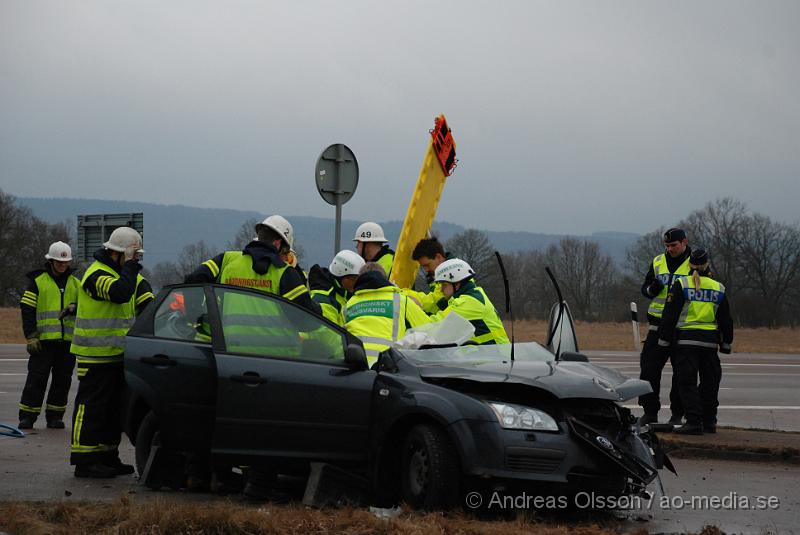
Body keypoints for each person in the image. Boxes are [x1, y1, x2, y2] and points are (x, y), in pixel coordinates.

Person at [70, 227, 154, 478]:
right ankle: (84, 460)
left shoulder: (131, 277)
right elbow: (120, 293)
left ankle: (108, 457)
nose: (138, 260)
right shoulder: (95, 274)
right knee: (91, 408)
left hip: (119, 355)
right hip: (94, 355)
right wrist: (130, 266)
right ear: (121, 254)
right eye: (134, 255)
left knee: (113, 411)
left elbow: (148, 307)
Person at [657, 248, 733, 434]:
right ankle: (709, 421)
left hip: (686, 342)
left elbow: (670, 315)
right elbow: (726, 319)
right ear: (708, 264)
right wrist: (726, 343)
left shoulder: (681, 284)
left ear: (690, 265)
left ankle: (693, 422)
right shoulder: (718, 287)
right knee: (710, 383)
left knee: (687, 383)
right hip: (709, 343)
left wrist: (664, 339)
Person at [185, 215, 319, 314]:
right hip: (277, 349)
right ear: (277, 244)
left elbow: (193, 280)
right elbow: (306, 318)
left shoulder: (227, 260)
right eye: (285, 252)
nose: (285, 257)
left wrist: (198, 315)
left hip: (230, 347)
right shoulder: (284, 272)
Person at [17, 241, 81, 430]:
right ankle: (28, 416)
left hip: (67, 343)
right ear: (51, 261)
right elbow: (27, 310)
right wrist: (31, 336)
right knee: (36, 380)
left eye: (65, 262)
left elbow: (85, 308)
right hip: (43, 343)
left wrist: (75, 308)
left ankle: (55, 417)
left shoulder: (76, 284)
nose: (62, 265)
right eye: (59, 262)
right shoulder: (37, 282)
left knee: (62, 382)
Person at [637, 227, 691, 426]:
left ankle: (677, 414)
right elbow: (646, 289)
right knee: (648, 370)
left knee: (682, 374)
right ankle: (650, 412)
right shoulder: (658, 261)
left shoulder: (694, 263)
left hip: (681, 327)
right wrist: (652, 289)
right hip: (657, 325)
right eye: (667, 245)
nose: (669, 249)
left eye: (673, 245)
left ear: (684, 242)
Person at [343, 262, 430, 366]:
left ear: (359, 280)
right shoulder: (401, 300)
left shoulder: (348, 305)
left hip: (356, 367)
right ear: (385, 279)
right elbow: (430, 328)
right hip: (387, 368)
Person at [428, 258, 509, 345]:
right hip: (487, 354)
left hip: (496, 356)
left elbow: (435, 324)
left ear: (457, 284)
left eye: (444, 285)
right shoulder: (473, 295)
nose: (441, 290)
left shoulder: (469, 302)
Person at [308, 250, 365, 326]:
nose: (357, 283)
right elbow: (330, 334)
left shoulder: (346, 294)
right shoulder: (324, 300)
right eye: (354, 279)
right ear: (342, 276)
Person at [403, 236, 450, 313]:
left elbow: (433, 302)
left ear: (438, 257)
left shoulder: (451, 274)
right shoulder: (440, 274)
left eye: (427, 265)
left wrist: (401, 293)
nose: (426, 270)